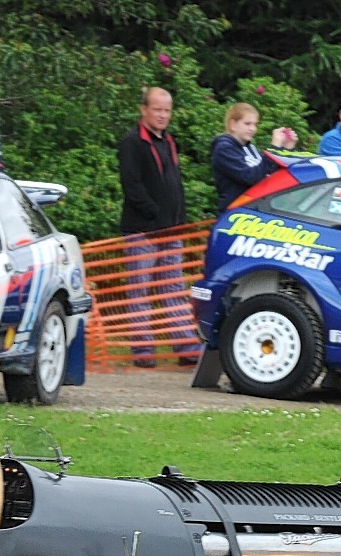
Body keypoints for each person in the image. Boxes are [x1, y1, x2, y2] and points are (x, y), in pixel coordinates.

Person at [118, 86, 190, 366]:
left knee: (173, 288)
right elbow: (132, 187)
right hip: (142, 230)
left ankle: (184, 344)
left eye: (166, 110)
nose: (162, 115)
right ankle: (143, 348)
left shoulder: (169, 141)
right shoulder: (132, 142)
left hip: (172, 229)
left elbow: (174, 182)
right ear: (144, 110)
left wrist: (178, 219)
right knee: (141, 288)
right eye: (157, 109)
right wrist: (154, 214)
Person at [209, 102, 295, 209]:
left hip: (255, 209)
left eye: (255, 124)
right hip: (236, 212)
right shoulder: (224, 149)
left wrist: (285, 149)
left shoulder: (249, 147)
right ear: (233, 125)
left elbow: (268, 174)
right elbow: (251, 177)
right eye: (247, 124)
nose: (252, 129)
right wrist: (274, 148)